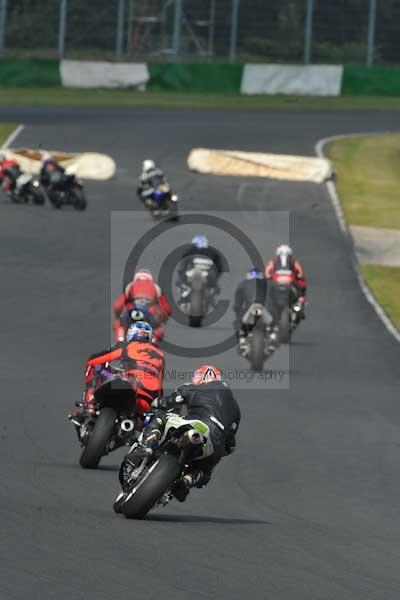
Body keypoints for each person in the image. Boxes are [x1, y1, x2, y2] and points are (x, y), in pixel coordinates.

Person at [119, 365, 241, 503]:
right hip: (215, 444)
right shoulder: (236, 409)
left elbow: (169, 402)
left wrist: (155, 402)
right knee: (205, 472)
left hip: (196, 423)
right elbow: (230, 445)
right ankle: (187, 481)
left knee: (160, 417)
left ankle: (145, 448)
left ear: (200, 377)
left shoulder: (195, 387)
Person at [71, 321, 164, 425]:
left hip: (129, 384)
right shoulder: (160, 355)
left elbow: (95, 360)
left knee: (95, 366)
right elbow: (160, 389)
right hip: (147, 402)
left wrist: (107, 371)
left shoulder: (127, 346)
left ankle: (88, 407)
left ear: (131, 334)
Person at [113, 268, 171, 343]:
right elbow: (166, 309)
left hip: (132, 312)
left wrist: (118, 316)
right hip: (149, 314)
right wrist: (162, 320)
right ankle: (153, 341)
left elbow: (117, 306)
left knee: (119, 324)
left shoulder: (130, 286)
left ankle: (119, 340)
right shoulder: (156, 288)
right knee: (158, 328)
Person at [176, 235, 225, 304]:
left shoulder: (190, 250)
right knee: (215, 287)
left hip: (192, 273)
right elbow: (220, 268)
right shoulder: (213, 252)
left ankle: (183, 295)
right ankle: (213, 298)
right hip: (209, 275)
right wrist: (215, 279)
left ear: (194, 244)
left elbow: (181, 265)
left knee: (180, 283)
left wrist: (180, 276)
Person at [265, 244, 307, 313]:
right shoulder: (295, 262)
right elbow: (301, 274)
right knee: (301, 287)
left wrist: (269, 278)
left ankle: (300, 301)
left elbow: (266, 274)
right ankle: (301, 300)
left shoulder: (272, 262)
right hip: (289, 283)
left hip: (277, 283)